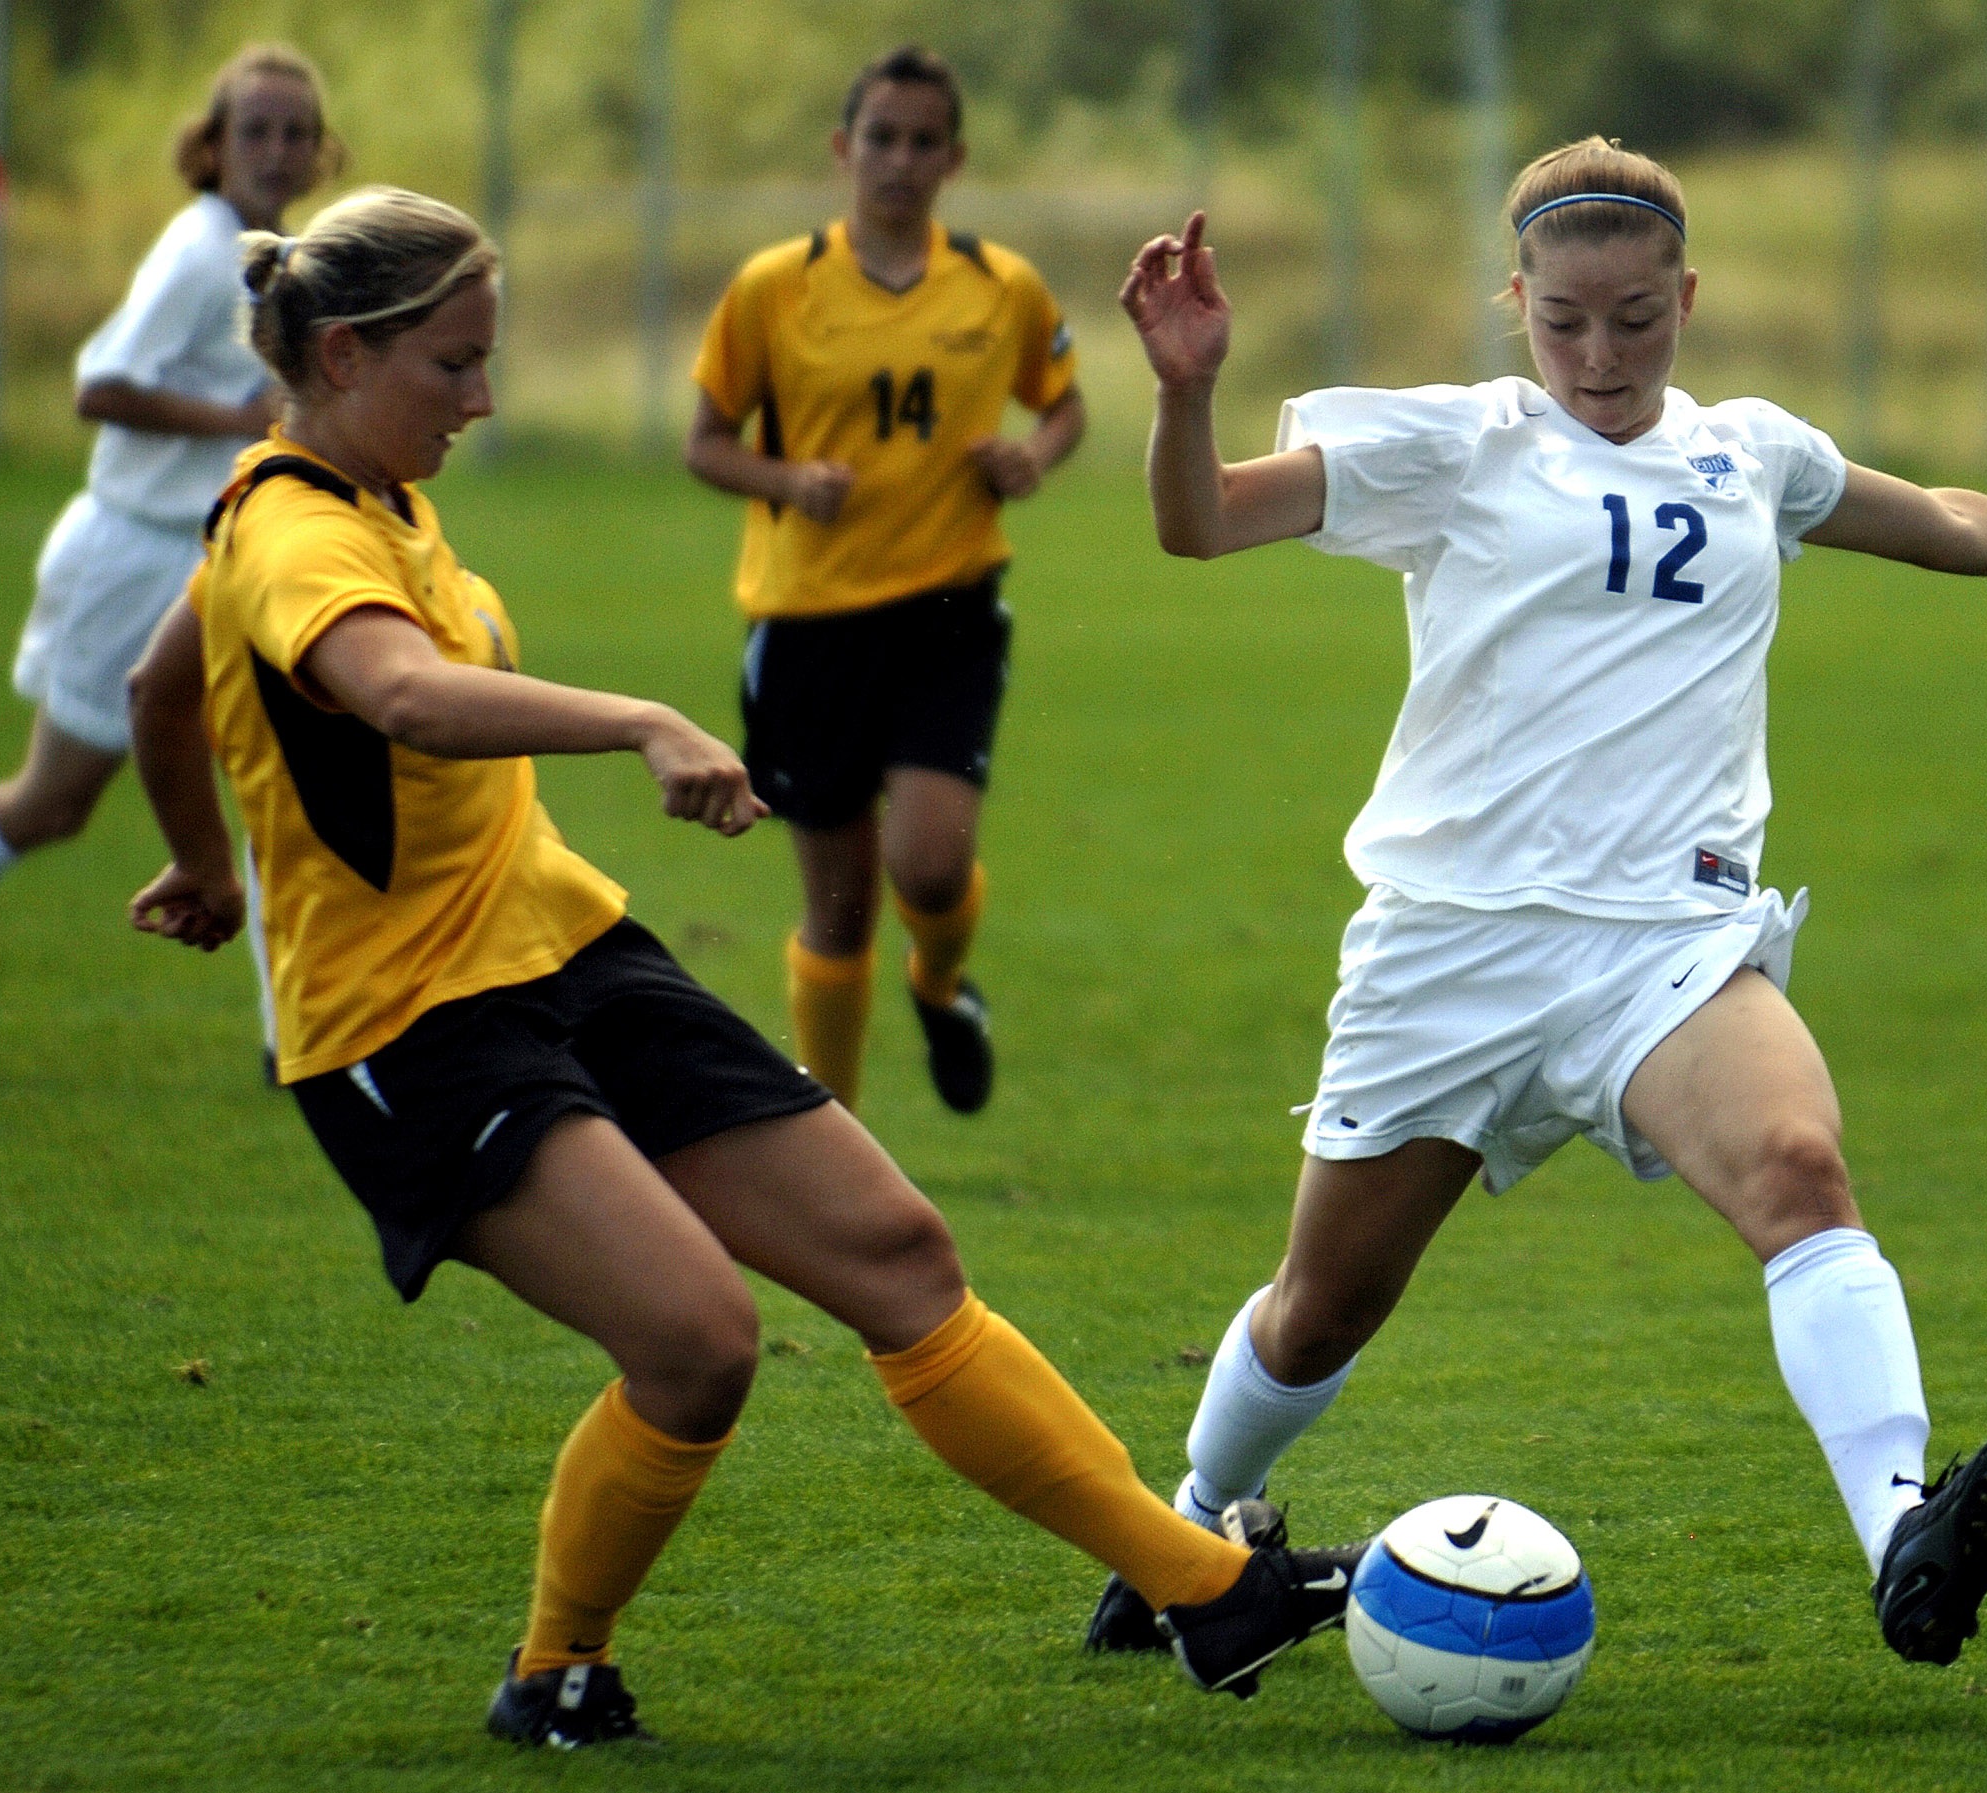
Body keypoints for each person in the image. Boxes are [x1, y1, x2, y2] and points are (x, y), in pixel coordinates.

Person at [124, 186, 1357, 1747]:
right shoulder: (294, 527)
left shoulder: (348, 501)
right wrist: (642, 718)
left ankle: (1205, 1590)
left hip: (565, 950)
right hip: (410, 1024)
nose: (486, 397)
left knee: (900, 1254)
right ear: (351, 354)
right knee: (697, 1346)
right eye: (456, 364)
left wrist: (193, 854)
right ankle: (556, 1667)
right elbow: (407, 700)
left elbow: (165, 682)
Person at [1086, 140, 1987, 1670]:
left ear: (1688, 298)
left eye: (1635, 318)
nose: (1600, 356)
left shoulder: (1756, 453)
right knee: (1320, 1311)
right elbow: (1197, 519)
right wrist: (1186, 385)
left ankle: (1903, 1531)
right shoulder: (1453, 446)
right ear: (1516, 305)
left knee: (1801, 1169)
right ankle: (1193, 1525)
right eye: (1563, 322)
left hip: (1665, 948)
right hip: (1453, 946)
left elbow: (1936, 519)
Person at [0, 44, 334, 1073]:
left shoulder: (280, 255)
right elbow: (99, 383)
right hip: (133, 557)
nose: (277, 151)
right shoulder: (202, 250)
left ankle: (297, 1044)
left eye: (297, 132)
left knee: (283, 774)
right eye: (256, 131)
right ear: (212, 144)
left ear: (323, 149)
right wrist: (233, 416)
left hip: (230, 561)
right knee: (52, 802)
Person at [683, 45, 1084, 1116]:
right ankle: (838, 1145)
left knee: (934, 867)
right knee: (841, 908)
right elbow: (705, 442)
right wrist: (783, 477)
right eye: (881, 138)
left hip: (948, 607)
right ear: (842, 148)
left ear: (954, 158)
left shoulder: (1000, 286)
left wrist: (1029, 458)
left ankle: (943, 983)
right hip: (809, 620)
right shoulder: (776, 287)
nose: (900, 160)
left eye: (922, 142)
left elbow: (1064, 403)